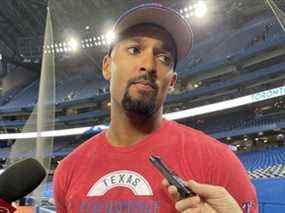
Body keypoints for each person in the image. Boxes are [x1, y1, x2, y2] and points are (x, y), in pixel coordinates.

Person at [53, 3, 258, 213]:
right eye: (134, 50)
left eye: (164, 58)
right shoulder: (68, 170)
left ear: (172, 82)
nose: (149, 65)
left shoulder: (218, 161)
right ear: (107, 66)